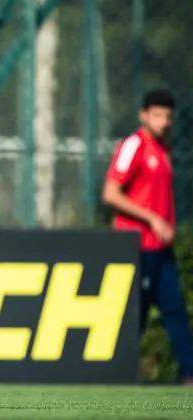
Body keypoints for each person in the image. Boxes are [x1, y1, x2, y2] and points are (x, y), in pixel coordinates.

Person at [102, 88, 193, 385]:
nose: (163, 122)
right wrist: (153, 218)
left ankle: (189, 372)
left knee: (174, 309)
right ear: (143, 115)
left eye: (167, 116)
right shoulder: (134, 145)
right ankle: (114, 371)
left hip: (160, 247)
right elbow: (111, 193)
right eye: (157, 115)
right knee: (133, 312)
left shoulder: (163, 150)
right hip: (135, 245)